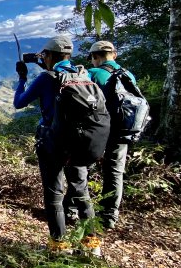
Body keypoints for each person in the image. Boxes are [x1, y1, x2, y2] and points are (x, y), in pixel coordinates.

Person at [14, 35, 100, 254]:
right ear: (68, 55)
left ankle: (59, 245)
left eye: (45, 55)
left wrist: (22, 78)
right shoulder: (85, 75)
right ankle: (91, 245)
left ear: (49, 55)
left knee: (54, 192)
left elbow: (19, 102)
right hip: (80, 142)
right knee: (81, 192)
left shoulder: (46, 78)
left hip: (53, 142)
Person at [87, 40, 136, 230]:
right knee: (115, 172)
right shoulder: (128, 74)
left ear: (95, 57)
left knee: (83, 167)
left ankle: (78, 208)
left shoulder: (93, 74)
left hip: (99, 130)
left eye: (92, 58)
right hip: (123, 130)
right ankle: (108, 217)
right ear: (114, 55)